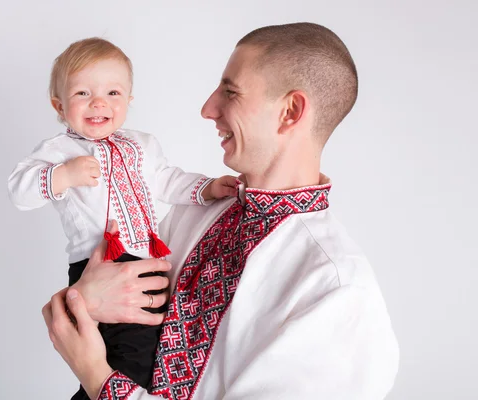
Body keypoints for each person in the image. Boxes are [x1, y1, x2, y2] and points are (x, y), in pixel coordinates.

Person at [42, 23, 400, 400]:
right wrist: (81, 302)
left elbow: (93, 361)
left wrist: (100, 381)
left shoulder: (336, 288)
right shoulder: (194, 213)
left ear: (290, 111)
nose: (207, 108)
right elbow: (86, 321)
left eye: (230, 92)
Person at [8, 37, 237, 400]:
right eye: (83, 93)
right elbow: (19, 191)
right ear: (59, 104)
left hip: (148, 261)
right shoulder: (59, 151)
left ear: (128, 101)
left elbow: (167, 180)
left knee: (143, 356)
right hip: (99, 266)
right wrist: (62, 176)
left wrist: (207, 188)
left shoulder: (142, 145)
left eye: (113, 92)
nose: (99, 102)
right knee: (132, 358)